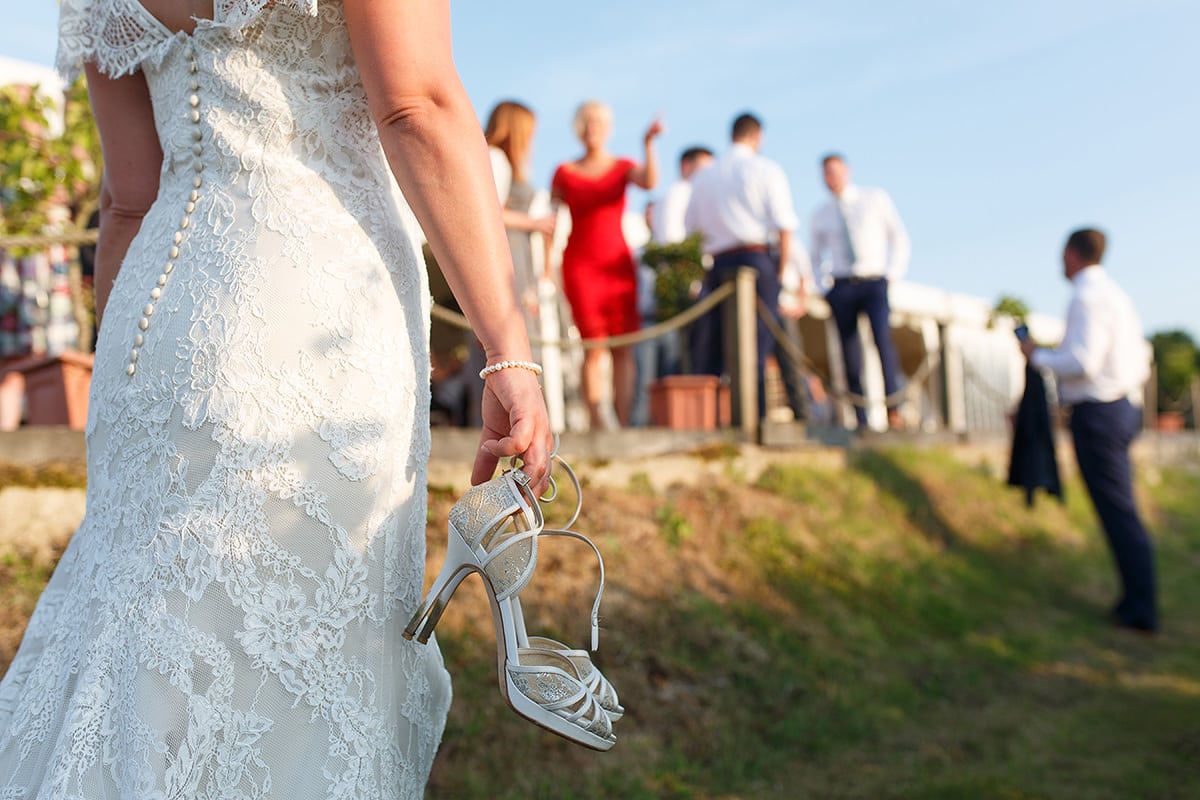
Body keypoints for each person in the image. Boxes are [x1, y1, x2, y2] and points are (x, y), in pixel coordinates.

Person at [0, 1, 554, 797]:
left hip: (155, 322)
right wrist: (508, 346)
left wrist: (128, 384)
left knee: (144, 633)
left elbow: (130, 197)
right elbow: (415, 104)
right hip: (310, 306)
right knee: (303, 653)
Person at [1021, 228, 1157, 633]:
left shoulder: (1086, 296)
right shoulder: (1114, 295)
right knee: (1119, 509)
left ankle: (1141, 609)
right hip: (1118, 408)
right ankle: (1134, 600)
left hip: (1101, 413)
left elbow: (1083, 360)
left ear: (1072, 254)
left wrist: (1037, 356)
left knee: (1119, 510)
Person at [552, 101, 662, 429]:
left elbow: (650, 182)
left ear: (609, 127)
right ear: (577, 128)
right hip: (580, 265)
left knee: (623, 348)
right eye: (586, 122)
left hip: (617, 265)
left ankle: (624, 424)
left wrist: (648, 143)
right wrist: (546, 267)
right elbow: (551, 222)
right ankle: (597, 423)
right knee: (593, 347)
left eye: (598, 121)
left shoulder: (623, 166)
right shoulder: (564, 172)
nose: (592, 127)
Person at [685, 112, 799, 419]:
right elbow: (784, 226)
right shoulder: (765, 169)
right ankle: (754, 418)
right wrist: (780, 274)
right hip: (756, 260)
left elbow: (691, 230)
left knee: (713, 346)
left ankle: (710, 419)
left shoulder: (704, 176)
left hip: (716, 265)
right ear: (756, 135)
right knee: (758, 347)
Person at [810, 153, 910, 430]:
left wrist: (892, 275)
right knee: (849, 354)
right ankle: (861, 417)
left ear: (847, 171)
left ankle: (894, 409)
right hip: (842, 286)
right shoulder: (820, 214)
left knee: (883, 343)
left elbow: (899, 237)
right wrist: (823, 288)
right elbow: (815, 256)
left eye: (835, 171)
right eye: (826, 173)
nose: (831, 177)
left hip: (874, 281)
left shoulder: (874, 199)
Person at [651, 146, 714, 245]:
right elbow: (670, 236)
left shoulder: (683, 191)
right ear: (686, 165)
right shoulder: (680, 192)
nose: (708, 173)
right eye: (704, 168)